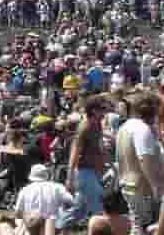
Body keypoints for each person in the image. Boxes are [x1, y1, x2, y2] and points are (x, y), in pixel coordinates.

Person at [117, 91, 164, 235]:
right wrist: (156, 187)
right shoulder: (142, 129)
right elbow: (144, 159)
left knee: (138, 225)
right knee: (145, 227)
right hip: (143, 188)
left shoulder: (125, 126)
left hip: (129, 184)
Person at [60, 95, 108, 230]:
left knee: (78, 211)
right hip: (84, 173)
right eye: (102, 109)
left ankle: (56, 226)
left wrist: (106, 163)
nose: (105, 112)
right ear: (93, 110)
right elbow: (74, 153)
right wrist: (69, 178)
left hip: (94, 172)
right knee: (100, 210)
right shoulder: (84, 128)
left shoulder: (97, 124)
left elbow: (99, 147)